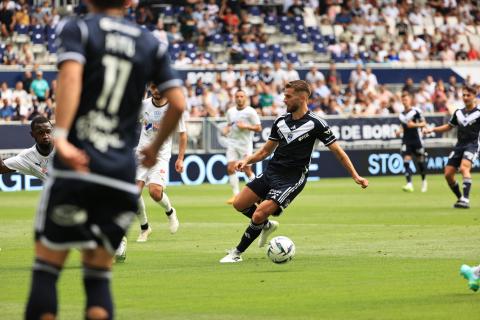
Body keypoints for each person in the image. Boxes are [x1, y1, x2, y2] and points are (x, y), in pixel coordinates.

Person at [24, 1, 186, 320]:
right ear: (130, 3)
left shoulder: (80, 29)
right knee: (98, 277)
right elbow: (178, 102)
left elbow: (70, 79)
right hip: (119, 173)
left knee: (47, 269)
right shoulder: (149, 41)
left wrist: (61, 136)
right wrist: (153, 151)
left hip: (78, 164)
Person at [220, 80, 368, 263]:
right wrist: (246, 160)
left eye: (288, 96)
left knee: (258, 213)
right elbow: (265, 151)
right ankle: (265, 226)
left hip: (292, 178)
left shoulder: (317, 124)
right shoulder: (280, 121)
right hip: (271, 172)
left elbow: (338, 152)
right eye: (284, 96)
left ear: (303, 98)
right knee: (239, 203)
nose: (284, 100)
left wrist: (355, 175)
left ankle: (236, 253)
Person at [135, 83, 187, 243]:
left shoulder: (173, 108)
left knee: (155, 192)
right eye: (153, 87)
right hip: (142, 153)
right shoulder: (144, 105)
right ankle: (145, 228)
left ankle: (170, 212)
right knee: (133, 193)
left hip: (161, 156)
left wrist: (180, 158)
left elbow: (183, 135)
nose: (156, 91)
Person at [424, 85, 479, 209]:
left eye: (468, 95)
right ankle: (460, 198)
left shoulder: (478, 113)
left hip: (473, 145)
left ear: (474, 96)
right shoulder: (459, 113)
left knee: (465, 168)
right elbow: (449, 126)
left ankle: (465, 199)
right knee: (448, 174)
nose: (465, 97)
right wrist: (432, 129)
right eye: (463, 95)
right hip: (459, 146)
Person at [222, 89, 262, 204]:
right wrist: (226, 129)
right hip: (232, 143)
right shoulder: (230, 111)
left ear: (245, 98)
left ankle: (258, 192)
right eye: (237, 96)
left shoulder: (251, 112)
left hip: (245, 144)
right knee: (230, 168)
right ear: (235, 98)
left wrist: (246, 126)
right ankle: (236, 195)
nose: (239, 98)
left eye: (241, 96)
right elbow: (229, 124)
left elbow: (259, 128)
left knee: (247, 169)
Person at [0, 116, 54, 180]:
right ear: (32, 134)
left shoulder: (65, 149)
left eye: (48, 131)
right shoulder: (27, 157)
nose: (45, 136)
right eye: (40, 133)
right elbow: (1, 168)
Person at [395, 91, 428, 192]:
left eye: (406, 99)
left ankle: (424, 181)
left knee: (420, 162)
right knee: (406, 161)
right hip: (406, 140)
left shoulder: (416, 111)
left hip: (416, 140)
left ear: (410, 100)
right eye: (403, 100)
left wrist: (414, 125)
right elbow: (402, 126)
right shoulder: (401, 115)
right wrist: (398, 131)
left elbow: (424, 123)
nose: (404, 101)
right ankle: (409, 184)